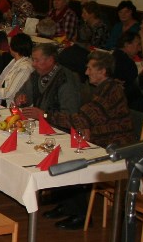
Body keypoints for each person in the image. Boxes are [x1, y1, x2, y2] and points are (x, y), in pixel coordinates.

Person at [35, 51, 135, 230]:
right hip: (99, 139)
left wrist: (45, 115)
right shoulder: (103, 88)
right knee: (62, 152)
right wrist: (84, 126)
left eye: (90, 68)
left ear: (102, 71)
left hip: (115, 147)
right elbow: (88, 118)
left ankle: (81, 214)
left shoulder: (111, 91)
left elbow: (83, 118)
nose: (86, 72)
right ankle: (67, 204)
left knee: (73, 161)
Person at [15, 43, 82, 117]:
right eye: (33, 60)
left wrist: (44, 115)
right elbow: (22, 93)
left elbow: (70, 116)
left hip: (56, 124)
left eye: (37, 60)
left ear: (50, 60)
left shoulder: (65, 79)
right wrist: (21, 99)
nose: (33, 64)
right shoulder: (36, 74)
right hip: (40, 121)